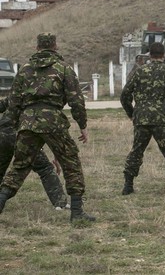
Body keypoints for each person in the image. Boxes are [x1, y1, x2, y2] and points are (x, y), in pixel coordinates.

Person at [0, 33, 95, 222]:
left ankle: (1, 201)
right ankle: (77, 212)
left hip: (27, 123)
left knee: (19, 166)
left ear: (37, 47)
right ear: (55, 46)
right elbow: (76, 101)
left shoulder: (24, 70)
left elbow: (13, 102)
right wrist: (82, 125)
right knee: (71, 163)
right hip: (53, 122)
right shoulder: (64, 69)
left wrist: (11, 125)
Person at [120, 42, 165, 196]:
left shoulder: (139, 72)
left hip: (141, 119)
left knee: (137, 151)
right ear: (164, 55)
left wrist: (132, 113)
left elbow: (124, 96)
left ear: (149, 55)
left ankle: (128, 185)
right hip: (162, 119)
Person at [0, 97, 69, 210]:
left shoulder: (19, 92)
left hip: (3, 134)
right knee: (45, 168)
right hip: (24, 136)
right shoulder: (44, 99)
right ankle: (60, 202)